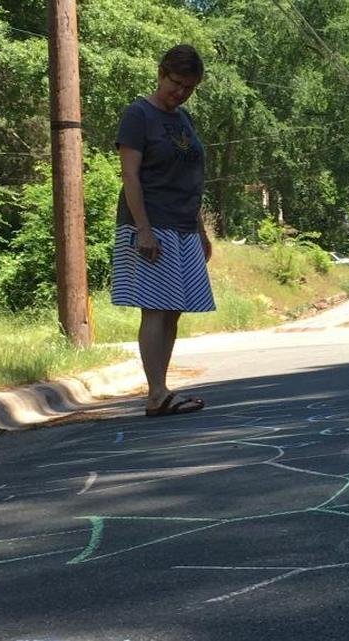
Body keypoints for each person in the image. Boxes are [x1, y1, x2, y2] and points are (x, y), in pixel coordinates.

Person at [111, 44, 214, 417]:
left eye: (189, 87)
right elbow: (130, 176)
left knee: (174, 309)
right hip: (150, 224)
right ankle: (156, 393)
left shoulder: (184, 119)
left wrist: (200, 230)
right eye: (176, 83)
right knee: (155, 308)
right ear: (161, 73)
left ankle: (162, 389)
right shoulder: (138, 115)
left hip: (184, 224)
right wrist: (144, 229)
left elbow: (191, 178)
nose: (181, 92)